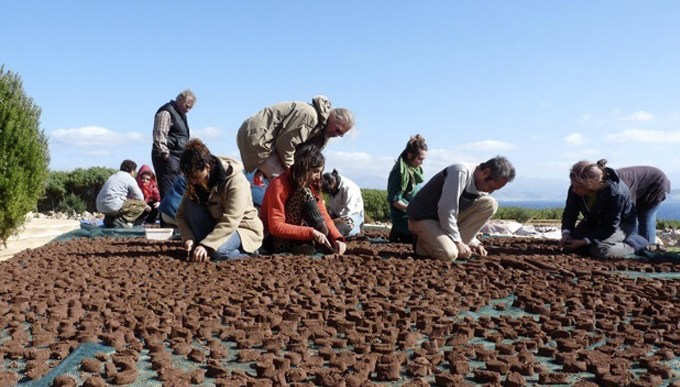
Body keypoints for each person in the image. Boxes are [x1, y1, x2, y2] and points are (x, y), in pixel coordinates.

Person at [407, 156, 516, 261]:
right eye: (491, 187)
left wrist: (474, 242)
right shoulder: (460, 172)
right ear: (486, 172)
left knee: (490, 204)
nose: (490, 191)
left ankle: (444, 242)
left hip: (443, 221)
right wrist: (458, 242)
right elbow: (447, 209)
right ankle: (422, 244)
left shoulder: (481, 184)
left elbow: (468, 220)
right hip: (423, 218)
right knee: (449, 254)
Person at [175, 139, 263, 262]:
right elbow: (181, 215)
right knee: (190, 204)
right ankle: (207, 247)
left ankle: (249, 252)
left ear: (207, 167)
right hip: (215, 226)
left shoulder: (236, 181)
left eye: (195, 177)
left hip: (241, 228)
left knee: (219, 253)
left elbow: (231, 219)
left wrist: (207, 245)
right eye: (189, 178)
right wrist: (188, 237)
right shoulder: (194, 182)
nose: (193, 182)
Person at [236, 95, 354, 182]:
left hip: (268, 142)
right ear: (333, 117)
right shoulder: (310, 116)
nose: (336, 135)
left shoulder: (321, 134)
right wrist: (293, 173)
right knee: (283, 182)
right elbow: (285, 144)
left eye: (341, 134)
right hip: (259, 138)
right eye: (338, 130)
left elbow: (302, 156)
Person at [260, 143, 347, 255]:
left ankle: (311, 243)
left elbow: (323, 214)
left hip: (296, 233)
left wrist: (337, 239)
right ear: (304, 168)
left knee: (344, 223)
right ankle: (300, 245)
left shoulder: (313, 185)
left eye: (320, 172)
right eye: (315, 171)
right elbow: (276, 226)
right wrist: (311, 232)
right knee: (304, 193)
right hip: (273, 240)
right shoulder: (279, 184)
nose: (319, 176)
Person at [559, 159, 648, 259]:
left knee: (600, 250)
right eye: (573, 184)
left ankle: (634, 244)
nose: (574, 189)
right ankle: (591, 242)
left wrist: (585, 241)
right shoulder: (576, 188)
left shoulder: (616, 193)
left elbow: (610, 225)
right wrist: (566, 234)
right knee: (572, 246)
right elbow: (570, 212)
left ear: (590, 184)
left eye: (578, 186)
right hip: (594, 221)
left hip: (621, 225)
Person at [152, 89, 196, 199]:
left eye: (191, 108)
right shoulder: (166, 112)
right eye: (187, 106)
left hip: (176, 159)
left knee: (177, 194)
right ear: (179, 99)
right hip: (167, 159)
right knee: (169, 195)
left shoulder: (181, 115)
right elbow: (159, 135)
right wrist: (166, 156)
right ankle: (166, 216)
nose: (188, 110)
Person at [387, 134, 428, 243]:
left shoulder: (413, 170)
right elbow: (395, 201)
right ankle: (400, 231)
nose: (421, 163)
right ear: (410, 155)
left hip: (414, 212)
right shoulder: (398, 172)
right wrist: (413, 210)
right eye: (420, 159)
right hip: (404, 216)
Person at [616, 166, 671, 244]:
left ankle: (648, 247)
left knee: (646, 219)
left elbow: (629, 210)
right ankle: (640, 246)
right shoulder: (608, 181)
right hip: (642, 189)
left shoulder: (623, 181)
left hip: (655, 184)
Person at [96, 160, 149, 228]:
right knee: (142, 204)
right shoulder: (129, 178)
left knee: (118, 204)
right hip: (113, 205)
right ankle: (121, 221)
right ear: (132, 170)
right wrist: (145, 205)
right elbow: (140, 197)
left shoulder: (113, 176)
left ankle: (109, 220)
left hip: (100, 206)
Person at [321, 169, 365, 238]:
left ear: (334, 183)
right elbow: (331, 209)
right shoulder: (331, 189)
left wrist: (334, 223)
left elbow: (348, 212)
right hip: (338, 216)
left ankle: (356, 230)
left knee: (343, 227)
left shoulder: (349, 188)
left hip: (353, 216)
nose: (329, 193)